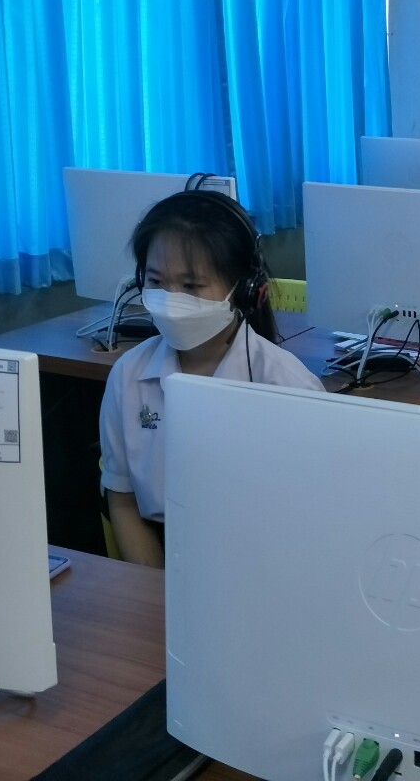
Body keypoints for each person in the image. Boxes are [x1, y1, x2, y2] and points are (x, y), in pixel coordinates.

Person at [99, 190, 324, 567]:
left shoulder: (288, 388)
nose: (171, 299)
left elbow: (311, 525)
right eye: (156, 281)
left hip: (264, 564)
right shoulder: (128, 373)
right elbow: (121, 499)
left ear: (245, 290)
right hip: (159, 558)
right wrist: (155, 589)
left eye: (191, 286)